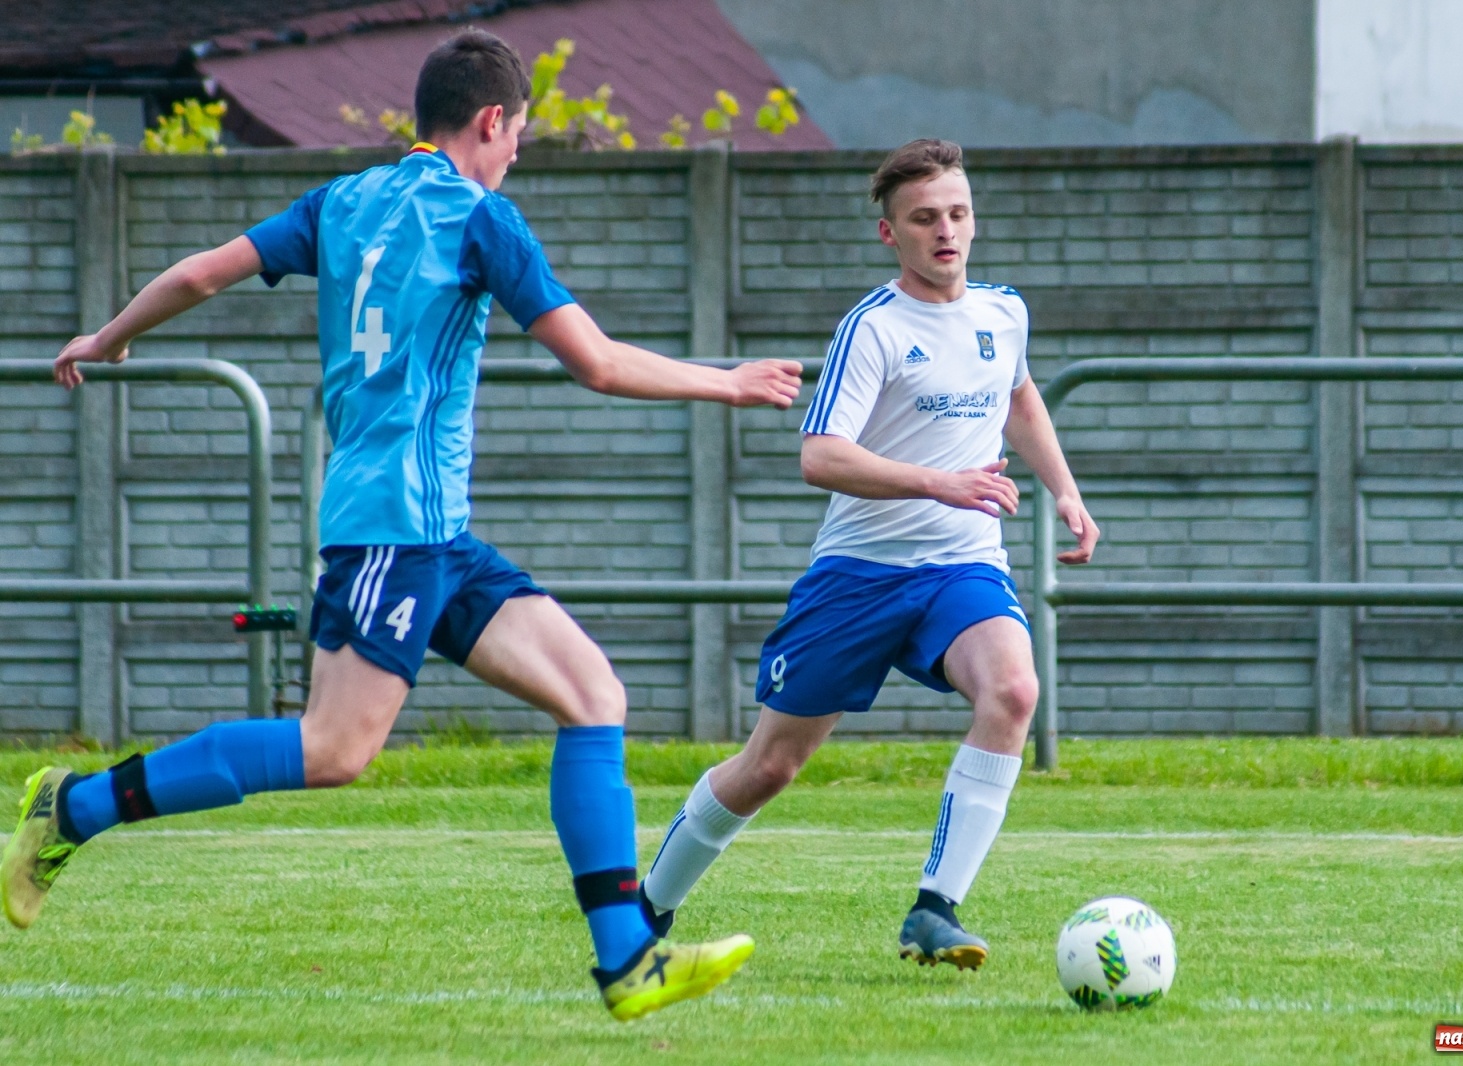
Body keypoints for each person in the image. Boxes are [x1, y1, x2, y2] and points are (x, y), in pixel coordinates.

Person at [1, 28, 802, 1023]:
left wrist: (108, 337)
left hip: (432, 531)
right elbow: (592, 360)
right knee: (334, 749)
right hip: (389, 530)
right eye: (518, 136)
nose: (514, 155)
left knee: (593, 692)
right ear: (491, 121)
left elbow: (204, 272)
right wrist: (724, 382)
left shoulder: (340, 202)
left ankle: (626, 960)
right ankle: (71, 807)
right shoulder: (481, 219)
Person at [641, 138, 1099, 970]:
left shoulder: (1004, 312)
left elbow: (1020, 395)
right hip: (858, 578)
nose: (946, 231)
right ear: (891, 233)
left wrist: (1064, 488)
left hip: (962, 569)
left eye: (957, 214)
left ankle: (934, 909)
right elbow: (820, 455)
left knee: (1014, 688)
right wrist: (938, 482)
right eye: (925, 218)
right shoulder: (874, 329)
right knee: (770, 767)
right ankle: (649, 908)